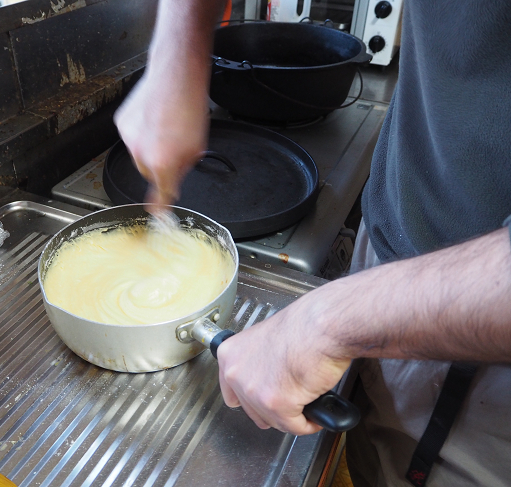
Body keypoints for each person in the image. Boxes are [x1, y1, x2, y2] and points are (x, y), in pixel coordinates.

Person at [114, 1, 511, 485]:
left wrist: (325, 323)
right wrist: (178, 56)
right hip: (391, 245)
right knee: (365, 457)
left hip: (482, 341)